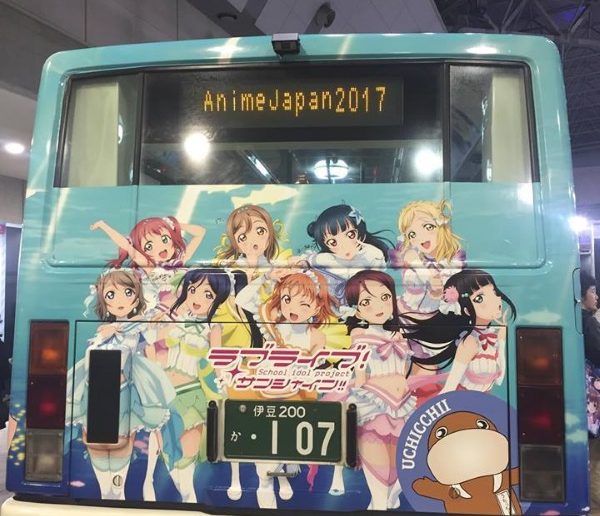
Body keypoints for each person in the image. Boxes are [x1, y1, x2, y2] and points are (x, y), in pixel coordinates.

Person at [582, 273, 600, 366]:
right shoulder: (590, 322)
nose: (596, 297)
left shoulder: (573, 319)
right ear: (581, 296)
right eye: (593, 292)